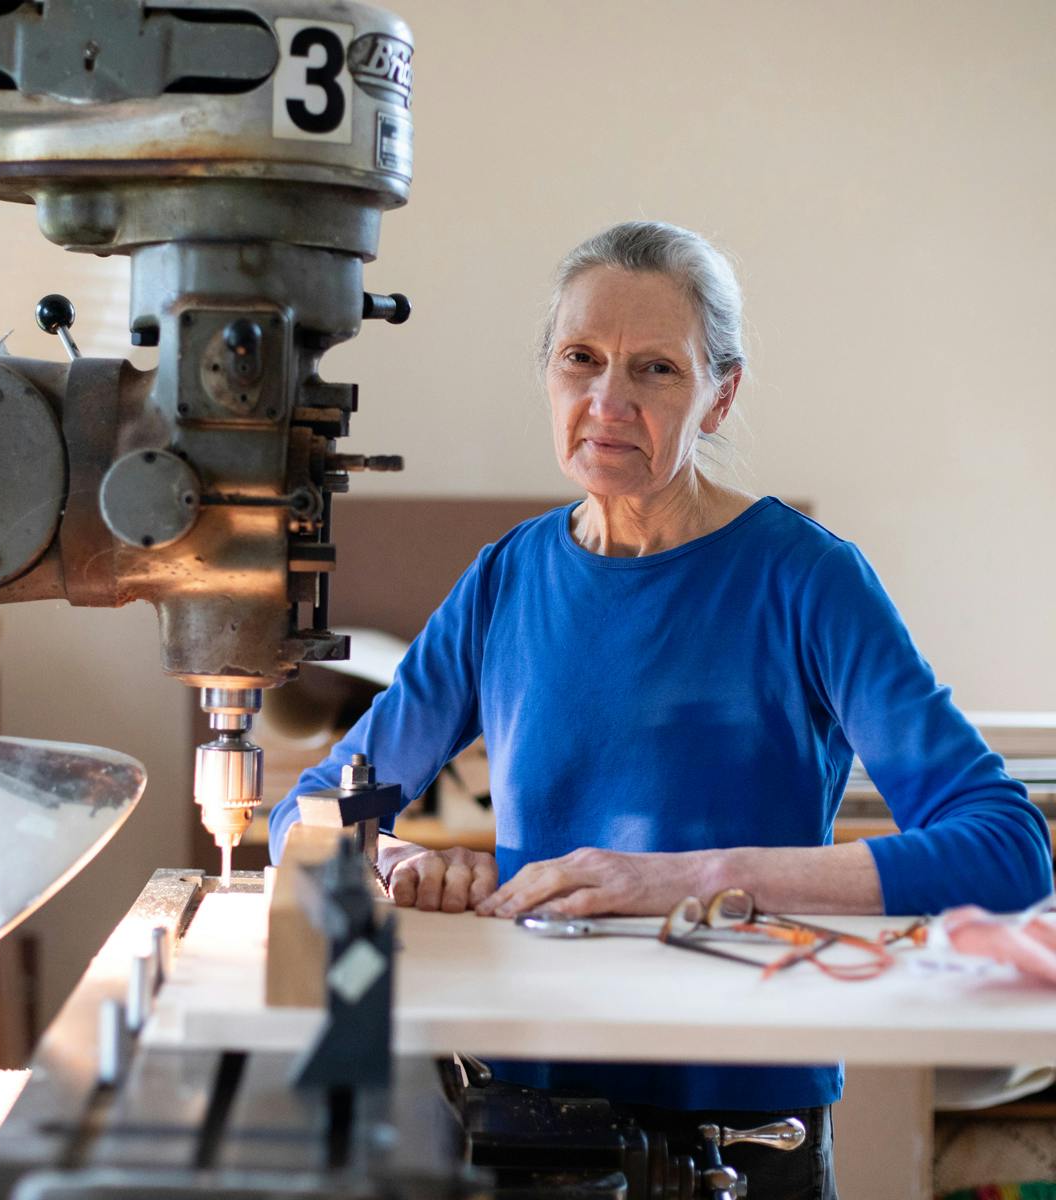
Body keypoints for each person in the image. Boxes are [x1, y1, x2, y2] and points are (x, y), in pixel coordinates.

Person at [269, 220, 1053, 1197]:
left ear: (720, 395)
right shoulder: (508, 579)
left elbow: (1007, 848)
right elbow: (306, 811)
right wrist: (394, 859)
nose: (607, 402)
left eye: (655, 371)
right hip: (529, 1118)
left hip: (739, 1137)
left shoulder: (807, 579)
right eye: (581, 361)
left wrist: (695, 878)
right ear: (548, 376)